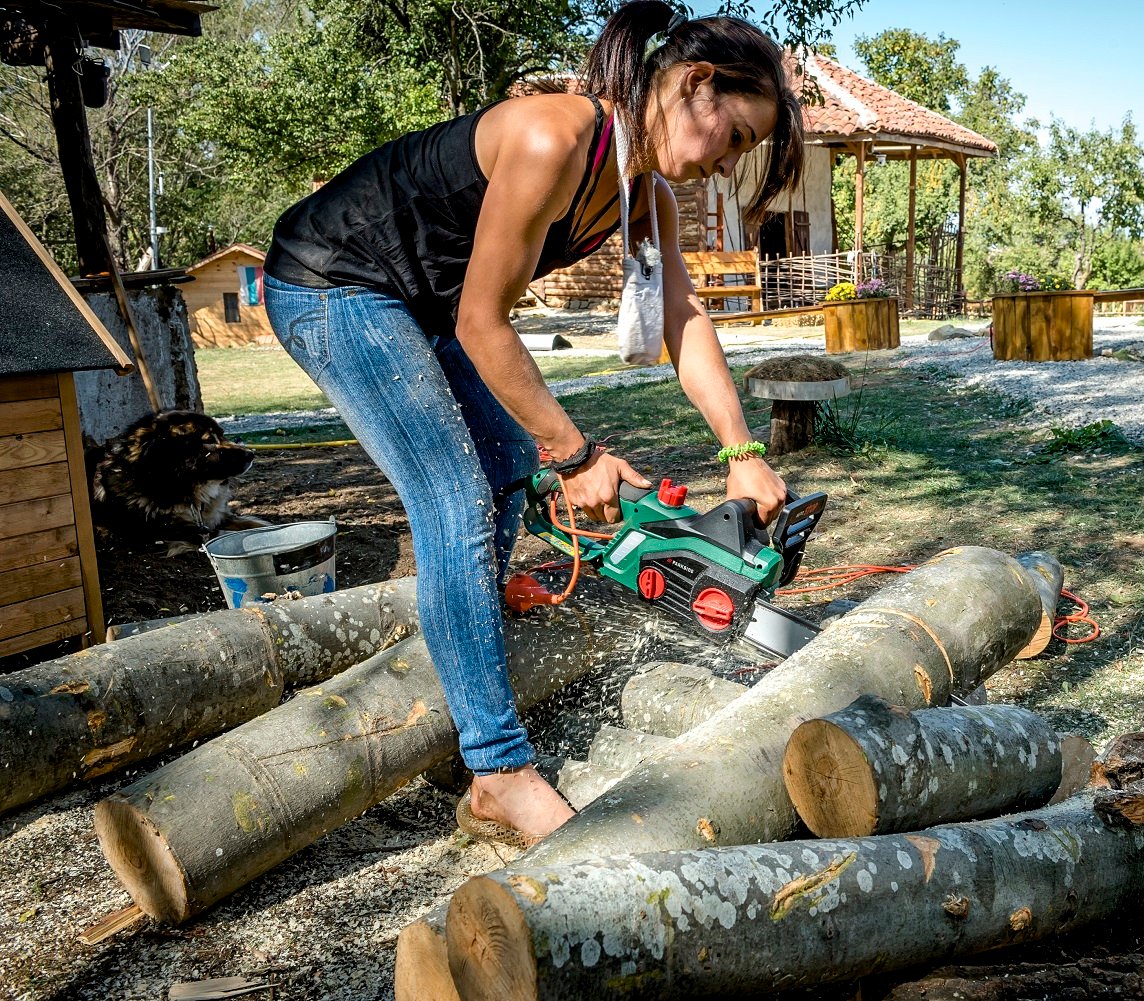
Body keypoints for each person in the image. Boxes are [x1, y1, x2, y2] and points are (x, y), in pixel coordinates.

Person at [262, 0, 803, 847]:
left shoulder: (641, 192)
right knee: (456, 500)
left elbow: (684, 318)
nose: (724, 165)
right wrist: (577, 452)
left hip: (418, 305)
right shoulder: (556, 138)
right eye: (733, 138)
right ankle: (499, 774)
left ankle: (476, 620)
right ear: (696, 85)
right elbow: (485, 321)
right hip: (334, 283)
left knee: (508, 467)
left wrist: (740, 452)